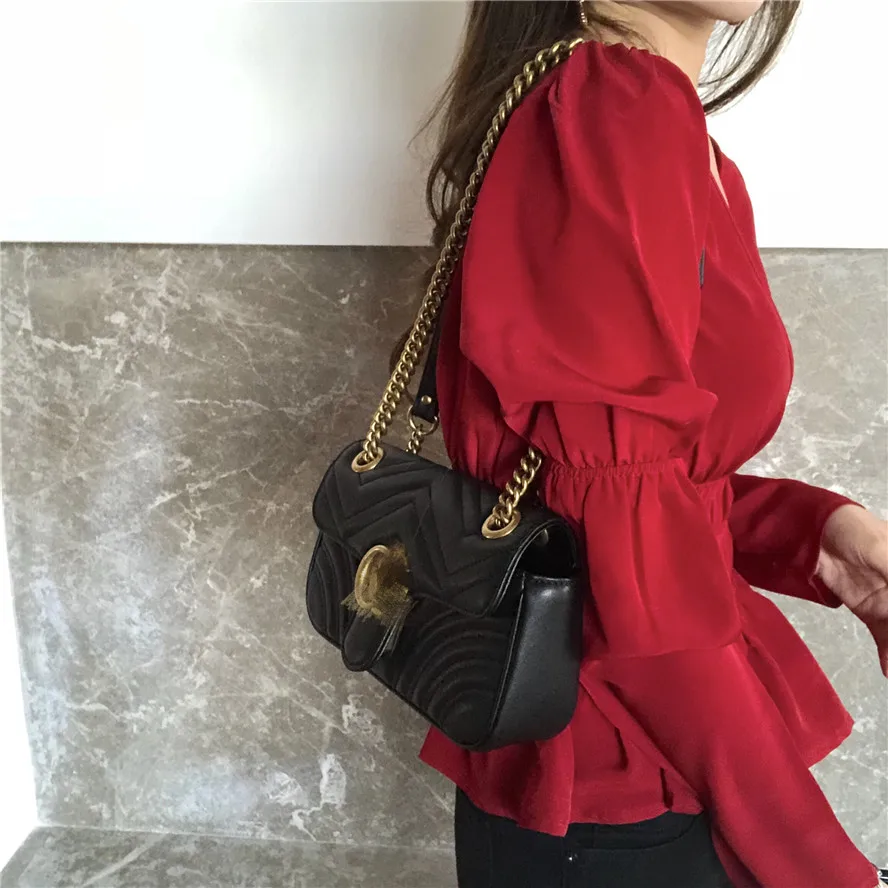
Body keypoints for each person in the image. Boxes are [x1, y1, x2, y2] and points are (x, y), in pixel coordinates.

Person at [412, 2, 888, 886]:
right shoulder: (615, 107)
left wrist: (809, 533)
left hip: (638, 762)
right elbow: (613, 526)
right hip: (623, 775)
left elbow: (616, 490)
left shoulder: (662, 128)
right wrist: (816, 865)